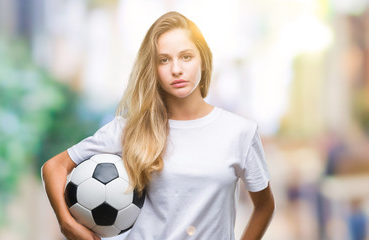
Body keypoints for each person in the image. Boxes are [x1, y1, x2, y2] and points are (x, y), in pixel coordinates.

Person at [42, 11, 275, 240]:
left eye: (186, 56)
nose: (176, 69)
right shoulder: (130, 129)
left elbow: (264, 206)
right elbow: (54, 167)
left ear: (203, 61)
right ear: (153, 69)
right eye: (164, 60)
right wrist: (67, 224)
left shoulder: (240, 132)